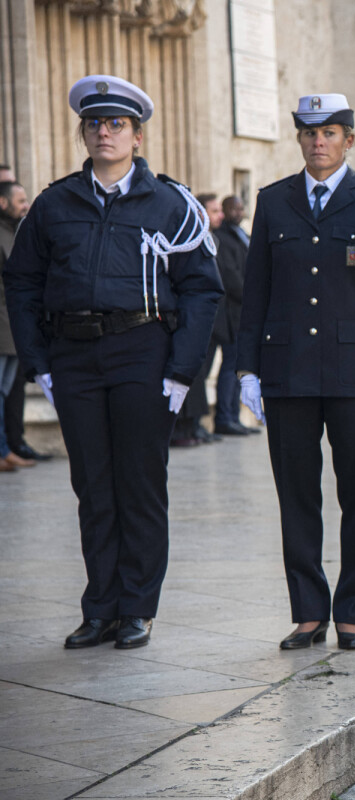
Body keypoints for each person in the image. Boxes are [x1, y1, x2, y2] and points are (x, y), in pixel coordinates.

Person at [3, 75, 223, 649]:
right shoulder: (54, 203)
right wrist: (38, 362)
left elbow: (203, 290)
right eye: (96, 123)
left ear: (138, 136)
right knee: (93, 485)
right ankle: (99, 606)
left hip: (141, 352)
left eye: (117, 124)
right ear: (84, 132)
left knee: (140, 483)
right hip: (74, 355)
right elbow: (22, 283)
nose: (105, 132)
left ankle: (137, 608)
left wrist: (181, 370)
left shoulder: (171, 203)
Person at [237, 93, 355, 652]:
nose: (318, 142)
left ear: (348, 140)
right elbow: (254, 292)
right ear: (299, 139)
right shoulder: (274, 200)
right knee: (297, 495)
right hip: (287, 372)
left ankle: (352, 613)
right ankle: (309, 611)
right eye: (309, 133)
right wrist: (246, 370)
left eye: (330, 132)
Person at [174, 194, 227, 446]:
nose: (221, 215)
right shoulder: (188, 237)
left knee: (200, 378)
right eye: (214, 210)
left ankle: (194, 426)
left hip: (213, 318)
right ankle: (182, 429)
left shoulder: (213, 238)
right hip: (188, 319)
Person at [0, 180, 46, 465]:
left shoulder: (14, 233)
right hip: (2, 326)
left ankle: (6, 448)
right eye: (20, 200)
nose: (26, 205)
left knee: (5, 392)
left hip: (13, 326)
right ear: (2, 203)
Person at [212, 195, 255, 435]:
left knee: (240, 366)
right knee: (231, 366)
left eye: (241, 208)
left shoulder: (242, 236)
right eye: (232, 208)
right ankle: (224, 417)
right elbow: (231, 277)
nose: (237, 212)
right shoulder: (223, 238)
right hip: (232, 313)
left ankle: (234, 416)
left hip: (244, 313)